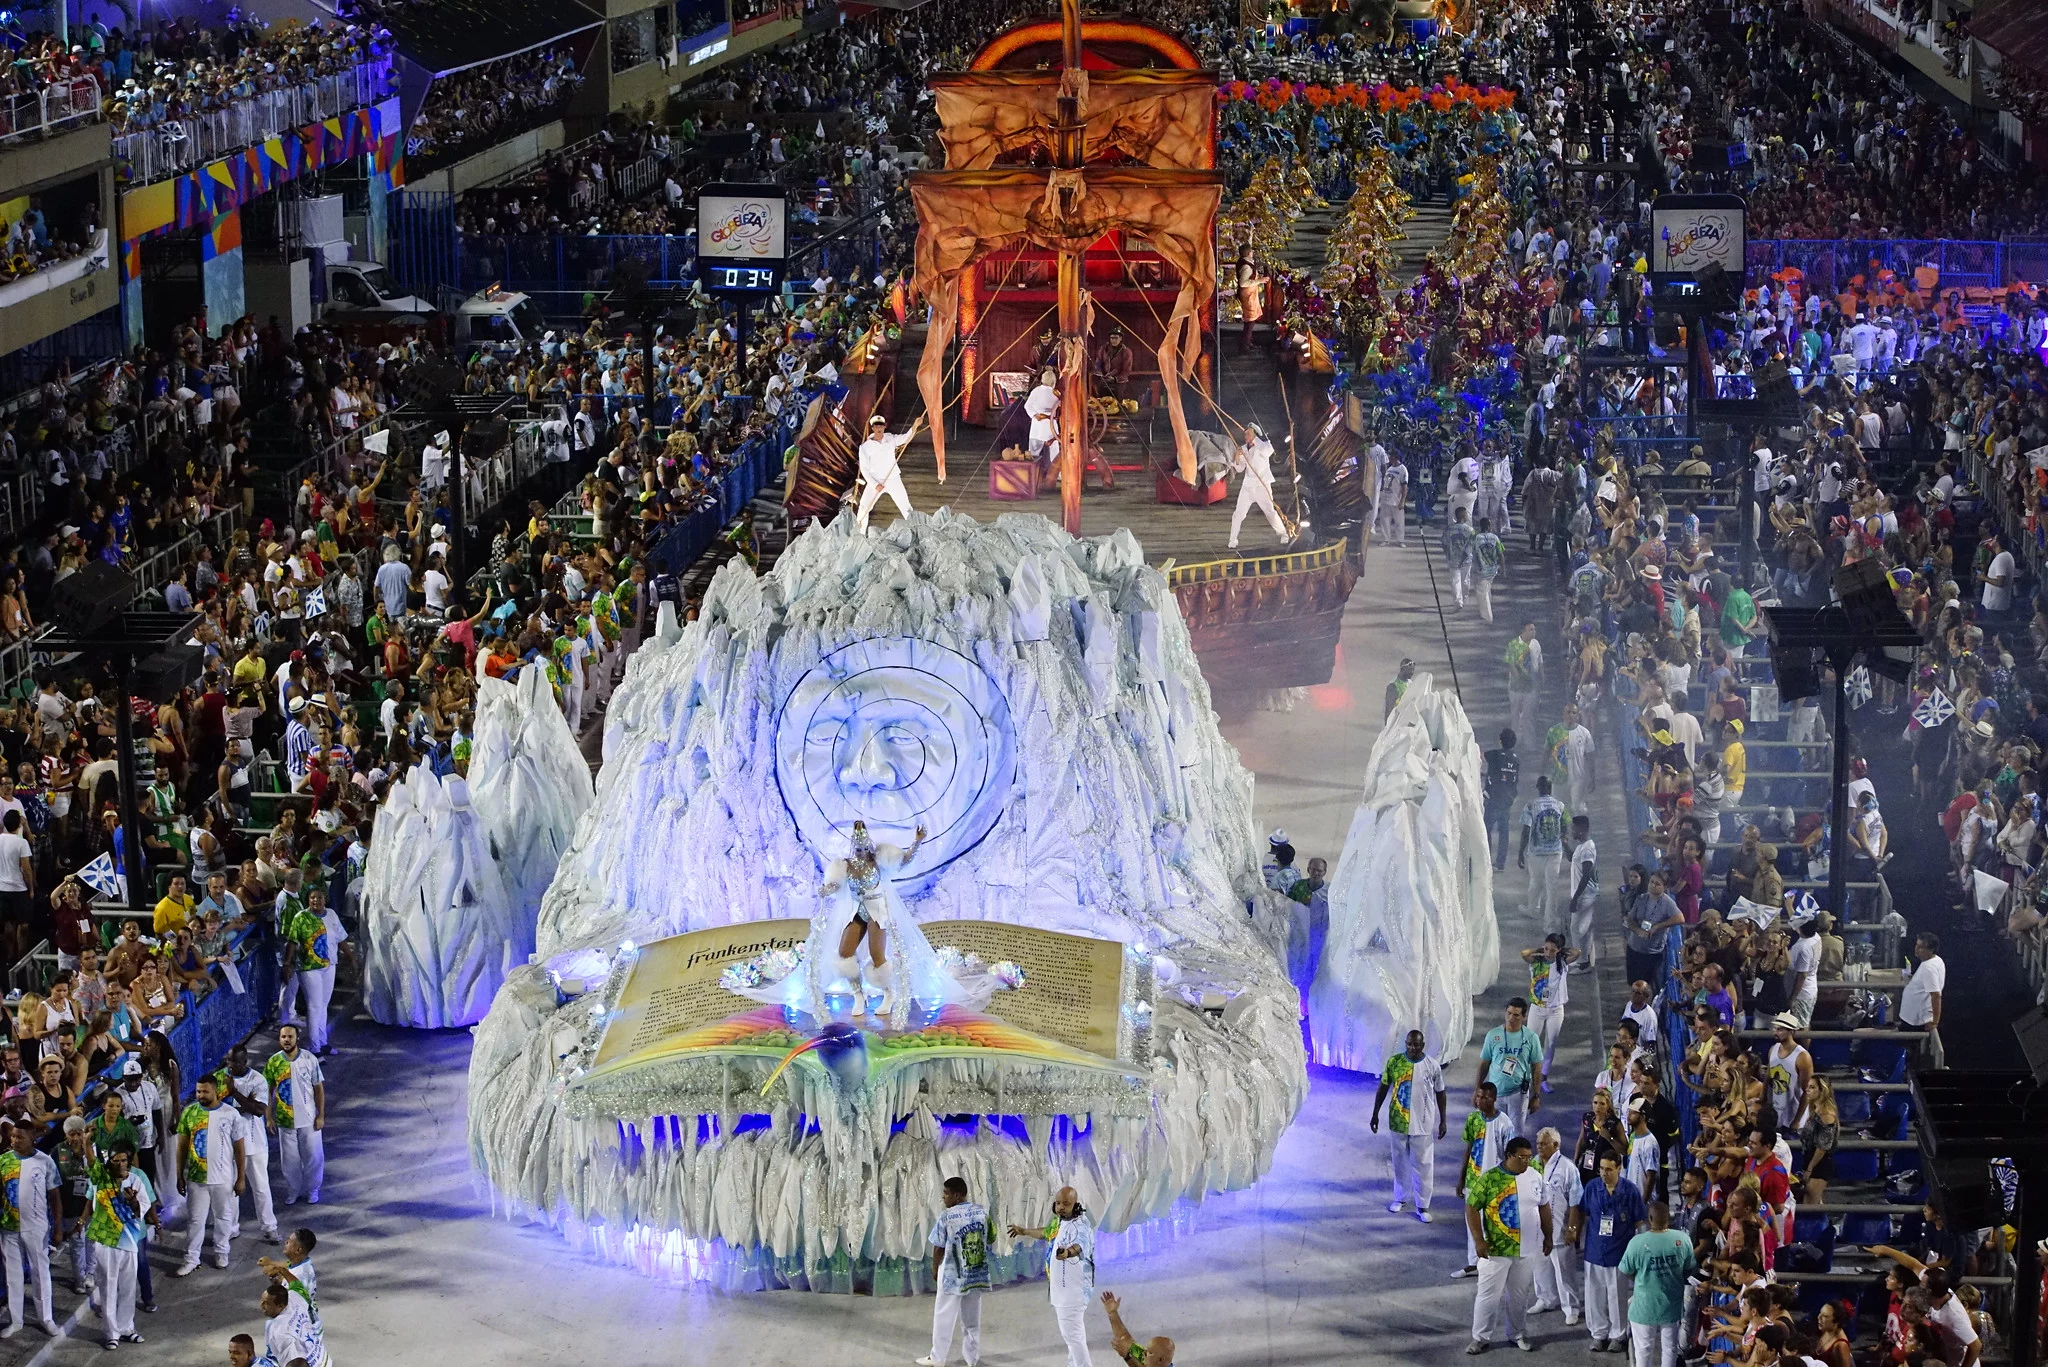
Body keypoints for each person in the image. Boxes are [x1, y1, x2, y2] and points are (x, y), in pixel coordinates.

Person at [1463, 1136, 1551, 1355]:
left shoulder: (1535, 1177)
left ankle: (1517, 1333)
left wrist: (1548, 1236)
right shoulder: (1490, 1179)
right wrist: (1478, 1240)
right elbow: (1471, 1208)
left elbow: (1544, 1207)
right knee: (1488, 1295)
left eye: (1529, 1157)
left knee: (1520, 1295)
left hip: (1526, 1249)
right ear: (1509, 1156)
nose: (1527, 1162)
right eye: (1522, 1157)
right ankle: (1480, 1337)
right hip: (1496, 1250)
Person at [1568, 1152, 1646, 1353]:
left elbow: (1640, 1222)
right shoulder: (1592, 1187)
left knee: (1617, 1296)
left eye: (1609, 1169)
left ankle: (1618, 1335)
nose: (1604, 1173)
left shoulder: (1630, 1191)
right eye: (1601, 1169)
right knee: (1594, 1296)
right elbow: (1581, 1210)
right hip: (1594, 1252)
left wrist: (1643, 1250)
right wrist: (1574, 1231)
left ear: (1619, 1168)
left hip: (1619, 1253)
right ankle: (1598, 1334)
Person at [1007, 1187, 1094, 1367]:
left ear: (1076, 1205)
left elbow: (1081, 1244)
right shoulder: (1060, 1222)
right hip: (1062, 1290)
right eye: (1059, 1203)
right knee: (1074, 1337)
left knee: (1073, 1337)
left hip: (1072, 1292)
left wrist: (1068, 1252)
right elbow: (1047, 1233)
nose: (1061, 1207)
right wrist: (1024, 1231)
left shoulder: (1080, 1225)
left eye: (1066, 1204)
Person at [1371, 1029, 1447, 1221]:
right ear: (1405, 1044)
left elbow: (1440, 1093)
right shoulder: (1395, 1063)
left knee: (1423, 1163)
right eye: (1409, 1044)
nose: (1412, 1048)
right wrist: (1375, 1113)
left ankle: (1423, 1206)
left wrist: (1443, 1119)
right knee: (1399, 1162)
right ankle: (1401, 1198)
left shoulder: (1432, 1066)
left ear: (1423, 1045)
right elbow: (1383, 1087)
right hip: (1398, 1121)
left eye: (1416, 1045)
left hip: (1423, 1123)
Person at [85, 1147, 157, 1351]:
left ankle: (126, 1328)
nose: (121, 1164)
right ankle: (111, 1333)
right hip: (106, 1241)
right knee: (108, 1288)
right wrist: (87, 1141)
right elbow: (91, 1162)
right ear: (109, 1162)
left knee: (128, 1287)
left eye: (124, 1160)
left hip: (129, 1242)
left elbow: (141, 1210)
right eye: (116, 1161)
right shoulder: (100, 1177)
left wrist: (133, 1201)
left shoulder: (136, 1180)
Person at [175, 1075, 245, 1275]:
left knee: (223, 1217)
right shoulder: (189, 1113)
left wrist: (240, 1178)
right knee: (195, 1220)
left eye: (205, 1091)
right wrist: (179, 1174)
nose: (200, 1095)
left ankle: (222, 1252)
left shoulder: (230, 1114)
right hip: (196, 1179)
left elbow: (239, 1149)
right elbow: (181, 1147)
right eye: (198, 1091)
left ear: (215, 1091)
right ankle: (191, 1258)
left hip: (223, 1179)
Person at [919, 1175, 990, 1367]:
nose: (944, 1198)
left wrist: (935, 1268)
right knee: (972, 1318)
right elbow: (990, 1237)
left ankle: (937, 1358)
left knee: (944, 1315)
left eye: (946, 1193)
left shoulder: (946, 1217)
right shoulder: (982, 1212)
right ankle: (972, 1358)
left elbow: (938, 1247)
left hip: (952, 1273)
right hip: (975, 1273)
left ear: (957, 1195)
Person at [1618, 1202, 1696, 1367]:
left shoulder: (1637, 1242)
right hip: (1671, 1306)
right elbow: (1689, 1269)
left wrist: (1642, 1279)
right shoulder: (1682, 1239)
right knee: (1670, 1349)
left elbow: (1626, 1270)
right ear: (1669, 1218)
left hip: (1644, 1307)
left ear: (1649, 1219)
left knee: (1643, 1351)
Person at [0, 1122, 60, 1338]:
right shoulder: (3, 1161)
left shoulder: (44, 1161)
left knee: (40, 1273)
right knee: (13, 1276)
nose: (15, 1140)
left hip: (37, 1228)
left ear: (32, 1138)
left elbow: (55, 1197)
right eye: (13, 1137)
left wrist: (58, 1227)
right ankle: (16, 1321)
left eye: (20, 1137)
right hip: (9, 1227)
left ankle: (46, 1319)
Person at [1454, 1082, 1517, 1279]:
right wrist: (1461, 1177)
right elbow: (1468, 1148)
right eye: (1479, 1096)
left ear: (1494, 1098)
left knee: (1492, 1224)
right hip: (1473, 1180)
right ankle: (1474, 1263)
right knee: (1472, 1222)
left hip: (1494, 1184)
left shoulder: (1505, 1124)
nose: (1481, 1101)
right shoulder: (1473, 1119)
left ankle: (1493, 1265)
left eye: (1485, 1097)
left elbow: (1510, 1157)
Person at [219, 1043, 279, 1244]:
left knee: (261, 1187)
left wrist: (234, 1094)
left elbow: (258, 1110)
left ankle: (269, 1227)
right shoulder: (220, 1078)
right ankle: (232, 1228)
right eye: (228, 1060)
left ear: (244, 1061)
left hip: (254, 1144)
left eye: (234, 1061)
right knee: (231, 1188)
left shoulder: (257, 1080)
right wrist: (244, 1102)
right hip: (229, 1145)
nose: (230, 1064)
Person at [1530, 1126, 1584, 1326]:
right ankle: (1546, 1298)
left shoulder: (1567, 1168)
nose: (1540, 1147)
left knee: (1564, 1270)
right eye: (1538, 1144)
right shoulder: (1533, 1164)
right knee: (1540, 1266)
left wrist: (1572, 1229)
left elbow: (1575, 1200)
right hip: (1537, 1228)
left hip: (1560, 1229)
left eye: (1544, 1144)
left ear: (1556, 1145)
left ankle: (1571, 1307)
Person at [266, 1024, 325, 1206]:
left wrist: (321, 1115)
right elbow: (268, 1091)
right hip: (285, 1121)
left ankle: (313, 1190)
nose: (286, 1040)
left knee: (313, 1156)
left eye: (290, 1036)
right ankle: (293, 1191)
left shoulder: (309, 1059)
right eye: (283, 1036)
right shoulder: (274, 1062)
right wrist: (269, 1117)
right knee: (289, 1160)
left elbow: (319, 1090)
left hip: (308, 1119)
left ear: (296, 1038)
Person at [1479, 998, 1544, 1134]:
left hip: (1518, 1093)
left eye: (1516, 1015)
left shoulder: (1531, 1038)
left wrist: (1536, 1095)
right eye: (1508, 1013)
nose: (1511, 1018)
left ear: (1524, 1017)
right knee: (1493, 1131)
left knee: (1516, 1132)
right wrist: (1478, 1090)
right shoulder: (1493, 1035)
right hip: (1495, 1092)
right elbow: (1484, 1064)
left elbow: (1536, 1068)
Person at [1522, 936, 1580, 1088]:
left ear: (1558, 950)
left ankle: (1543, 1078)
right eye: (1546, 948)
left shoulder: (1561, 963)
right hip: (1537, 1008)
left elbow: (1577, 952)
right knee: (1530, 1043)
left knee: (1551, 1044)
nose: (1548, 952)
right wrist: (1538, 950)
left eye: (1552, 950)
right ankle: (1527, 1076)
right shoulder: (1537, 962)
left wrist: (1561, 952)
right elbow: (1524, 954)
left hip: (1555, 1010)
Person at [1519, 778, 1572, 936]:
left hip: (1535, 852)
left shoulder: (1531, 805)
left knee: (1536, 882)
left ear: (1538, 788)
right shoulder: (1560, 805)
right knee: (1552, 888)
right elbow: (1565, 826)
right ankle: (1549, 925)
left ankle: (1533, 909)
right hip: (1555, 852)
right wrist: (1563, 842)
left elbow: (1526, 830)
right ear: (1551, 787)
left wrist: (1520, 852)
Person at [854, 413, 923, 534]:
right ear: (873, 428)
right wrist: (875, 485)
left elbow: (905, 438)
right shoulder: (865, 447)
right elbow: (864, 469)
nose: (879, 428)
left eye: (881, 426)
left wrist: (915, 426)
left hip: (893, 479)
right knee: (864, 508)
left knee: (906, 508)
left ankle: (917, 533)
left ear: (884, 427)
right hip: (875, 481)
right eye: (876, 426)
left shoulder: (890, 438)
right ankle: (859, 536)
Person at [1227, 424, 1291, 550]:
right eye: (1246, 434)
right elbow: (1240, 469)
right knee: (1238, 513)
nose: (1246, 436)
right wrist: (1237, 457)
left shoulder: (1264, 445)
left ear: (1255, 434)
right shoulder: (1244, 449)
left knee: (1270, 512)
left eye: (1248, 433)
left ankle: (1283, 534)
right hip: (1248, 486)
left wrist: (1254, 439)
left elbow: (1268, 451)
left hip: (1262, 485)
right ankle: (1232, 539)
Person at [1625, 871, 1683, 987]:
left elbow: (1680, 918)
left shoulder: (1667, 903)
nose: (1653, 886)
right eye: (1651, 882)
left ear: (1665, 887)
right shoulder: (1641, 898)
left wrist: (1658, 926)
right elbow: (1629, 919)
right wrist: (1638, 931)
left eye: (1658, 884)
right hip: (1634, 946)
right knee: (1632, 981)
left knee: (1647, 983)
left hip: (1651, 951)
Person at [260, 1277, 329, 1367]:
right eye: (262, 1300)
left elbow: (294, 1363)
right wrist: (283, 1270)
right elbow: (296, 1284)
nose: (261, 1305)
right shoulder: (294, 1297)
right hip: (323, 1358)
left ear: (280, 1306)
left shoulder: (279, 1332)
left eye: (267, 1303)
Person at [1764, 1015, 1813, 1135]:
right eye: (1776, 1028)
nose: (1776, 1032)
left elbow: (1807, 1091)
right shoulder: (1773, 1049)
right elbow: (1767, 1077)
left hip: (1793, 1112)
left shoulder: (1802, 1056)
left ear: (1791, 1032)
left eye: (1780, 1029)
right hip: (1776, 1111)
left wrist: (1796, 1120)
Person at [1099, 1290, 1173, 1366]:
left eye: (1149, 1352)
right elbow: (1124, 1339)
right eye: (1146, 1350)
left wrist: (1127, 1356)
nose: (1144, 1353)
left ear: (1160, 1360)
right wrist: (1113, 1313)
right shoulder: (1148, 1358)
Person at [1483, 729, 1521, 871]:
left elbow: (1482, 755)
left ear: (1500, 741)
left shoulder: (1495, 755)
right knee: (1504, 831)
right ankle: (1500, 863)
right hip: (1508, 800)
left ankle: (1486, 860)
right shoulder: (1516, 759)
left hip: (1493, 799)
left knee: (1487, 829)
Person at [1569, 816, 1601, 961]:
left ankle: (1581, 962)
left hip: (1584, 895)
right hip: (1584, 894)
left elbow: (1586, 874)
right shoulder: (1582, 846)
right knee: (1583, 929)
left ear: (1582, 829)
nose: (1571, 831)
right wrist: (1564, 844)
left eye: (1574, 828)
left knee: (1577, 930)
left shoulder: (1587, 849)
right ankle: (1584, 959)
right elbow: (1572, 859)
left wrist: (1575, 898)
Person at [1901, 932, 1944, 1034]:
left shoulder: (1928, 968)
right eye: (1917, 945)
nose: (1916, 949)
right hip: (1913, 1016)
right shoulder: (1936, 960)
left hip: (1916, 1019)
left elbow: (1936, 995)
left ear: (1931, 950)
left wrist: (1935, 1021)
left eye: (1921, 947)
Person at [1377, 449, 1410, 547]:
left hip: (1396, 500)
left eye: (1390, 456)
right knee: (1384, 520)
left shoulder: (1402, 469)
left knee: (1399, 521)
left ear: (1395, 457)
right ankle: (1386, 539)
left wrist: (1403, 500)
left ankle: (1400, 540)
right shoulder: (1389, 469)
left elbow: (1404, 486)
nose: (1389, 458)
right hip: (1386, 499)